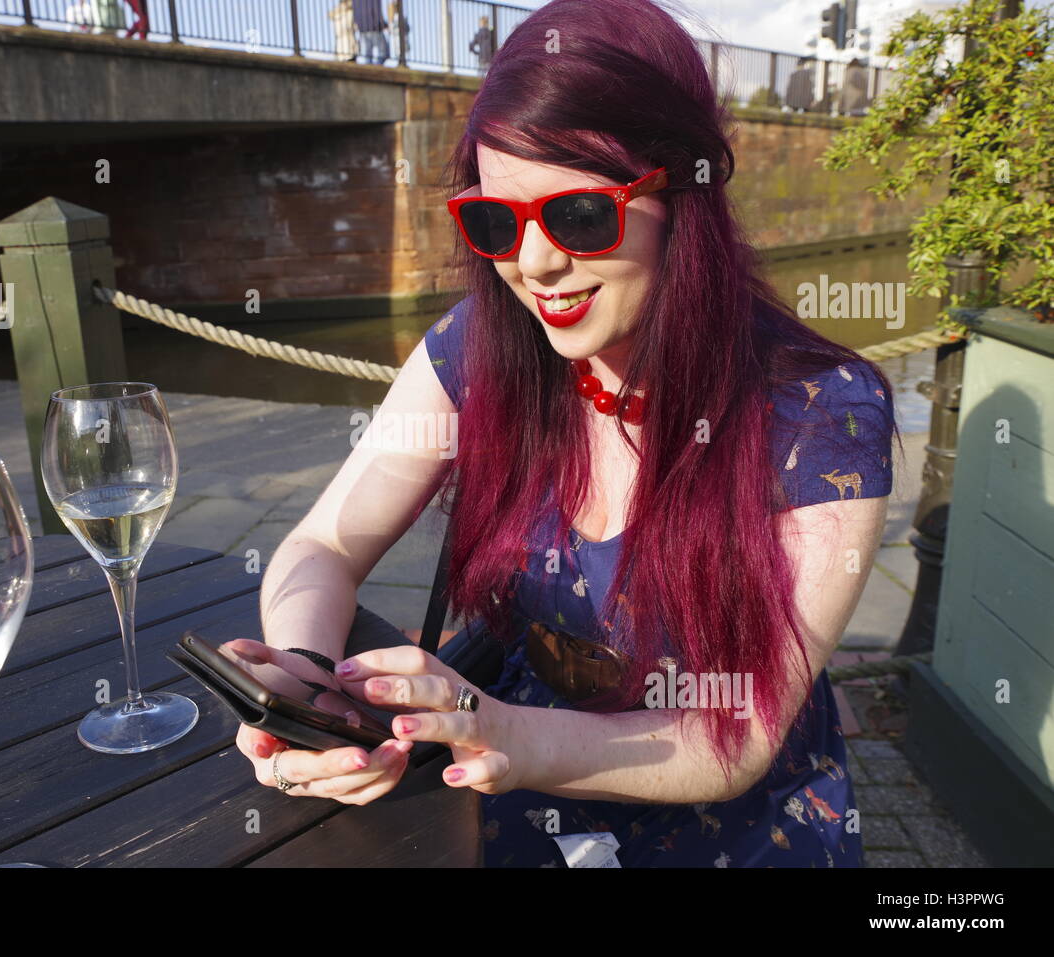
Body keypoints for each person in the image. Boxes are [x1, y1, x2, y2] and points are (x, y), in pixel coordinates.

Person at [227, 0, 894, 868]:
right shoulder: (484, 343)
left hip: (719, 821)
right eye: (497, 221)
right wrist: (305, 677)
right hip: (506, 773)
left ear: (684, 193)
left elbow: (738, 739)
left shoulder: (822, 414)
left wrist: (502, 733)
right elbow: (323, 540)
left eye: (579, 215)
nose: (533, 264)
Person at [353, 0, 390, 65]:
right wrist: (383, 24)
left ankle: (370, 69)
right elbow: (377, 12)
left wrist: (358, 25)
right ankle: (377, 67)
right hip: (375, 28)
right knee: (384, 53)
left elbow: (355, 13)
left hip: (363, 28)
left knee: (368, 55)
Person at [388, 0, 411, 67]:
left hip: (399, 38)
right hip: (399, 38)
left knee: (400, 51)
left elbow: (392, 29)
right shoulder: (400, 17)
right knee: (400, 51)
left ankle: (401, 62)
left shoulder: (395, 18)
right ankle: (401, 61)